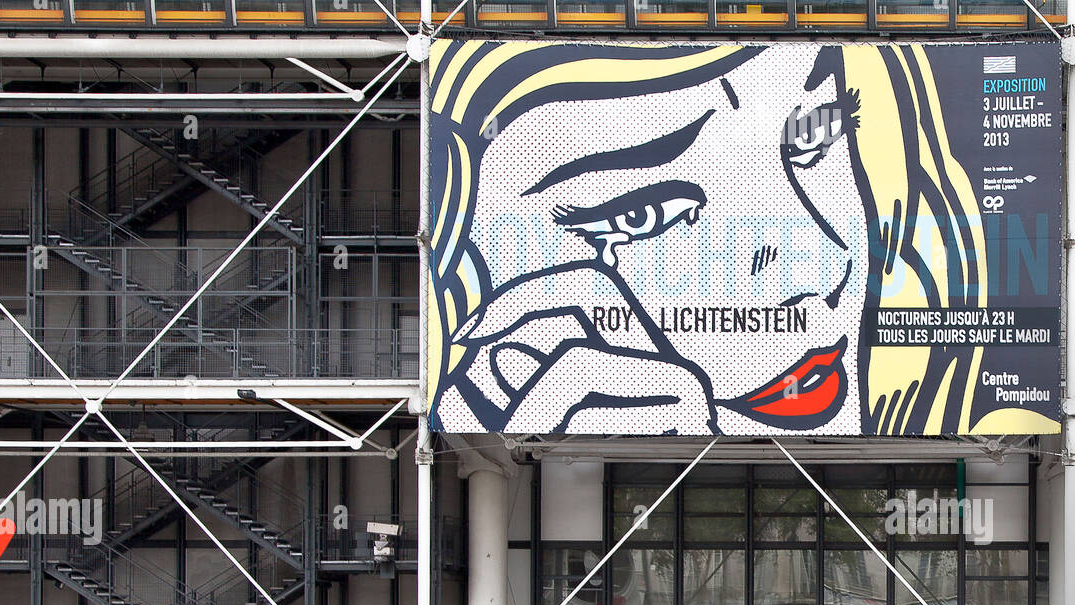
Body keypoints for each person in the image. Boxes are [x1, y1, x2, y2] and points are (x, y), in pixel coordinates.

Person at [428, 40, 1047, 438]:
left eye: (816, 137)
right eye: (644, 214)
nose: (824, 264)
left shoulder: (1006, 400)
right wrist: (486, 431)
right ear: (468, 266)